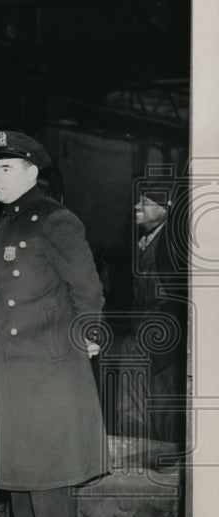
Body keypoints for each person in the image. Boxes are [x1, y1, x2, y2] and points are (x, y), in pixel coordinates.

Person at [0, 130, 108, 517]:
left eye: (7, 169)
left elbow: (87, 288)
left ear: (33, 173)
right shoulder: (8, 221)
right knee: (18, 457)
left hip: (49, 361)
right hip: (14, 363)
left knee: (49, 465)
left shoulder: (55, 220)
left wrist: (90, 335)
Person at [114, 187, 186, 442]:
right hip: (154, 330)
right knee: (162, 394)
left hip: (165, 329)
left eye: (145, 202)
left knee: (134, 356)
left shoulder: (172, 241)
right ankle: (156, 448)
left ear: (165, 208)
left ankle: (134, 435)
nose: (137, 206)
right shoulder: (147, 242)